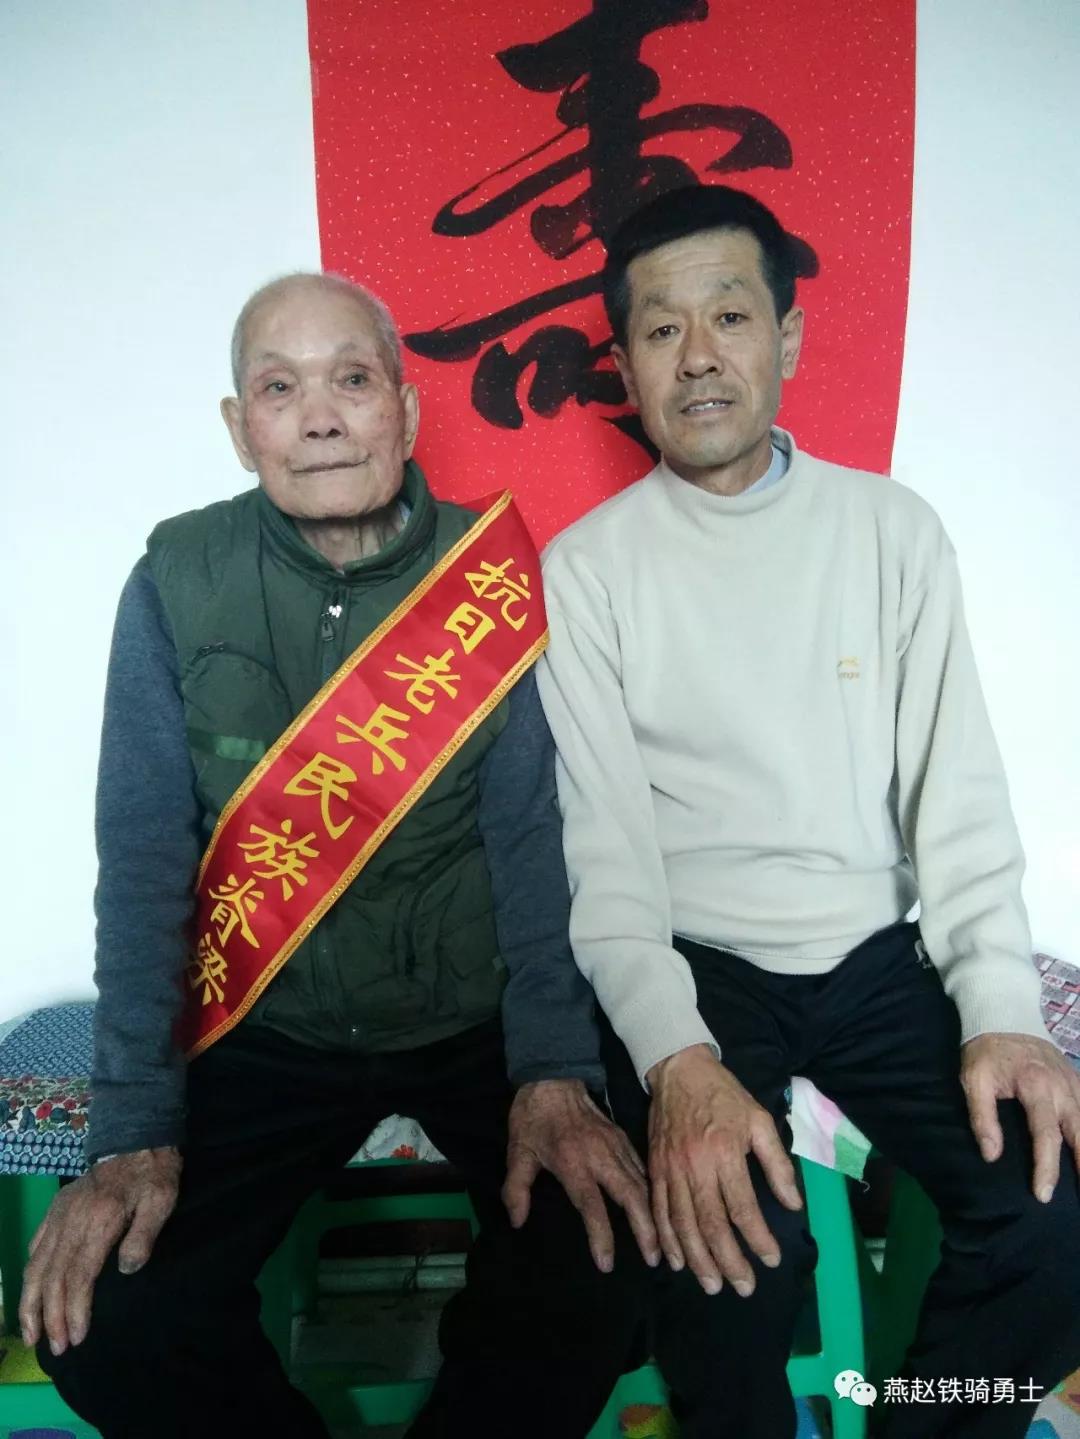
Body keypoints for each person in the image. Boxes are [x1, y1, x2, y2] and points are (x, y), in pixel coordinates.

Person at [20, 272, 658, 1439]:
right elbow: (145, 856)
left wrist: (554, 1072)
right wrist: (130, 1129)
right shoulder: (175, 580)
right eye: (280, 388)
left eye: (352, 380)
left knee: (606, 1259)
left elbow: (531, 838)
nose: (320, 418)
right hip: (270, 1026)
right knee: (106, 1316)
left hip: (474, 1015)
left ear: (404, 411)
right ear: (240, 427)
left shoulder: (490, 578)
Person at [535, 184, 1080, 1439]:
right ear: (626, 364)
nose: (699, 355)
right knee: (733, 1254)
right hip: (700, 965)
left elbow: (957, 793)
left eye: (730, 315)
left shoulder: (893, 530)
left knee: (1054, 1219)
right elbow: (606, 863)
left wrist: (1001, 1011)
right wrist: (676, 1062)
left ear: (787, 333)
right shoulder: (588, 572)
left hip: (875, 957)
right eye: (661, 329)